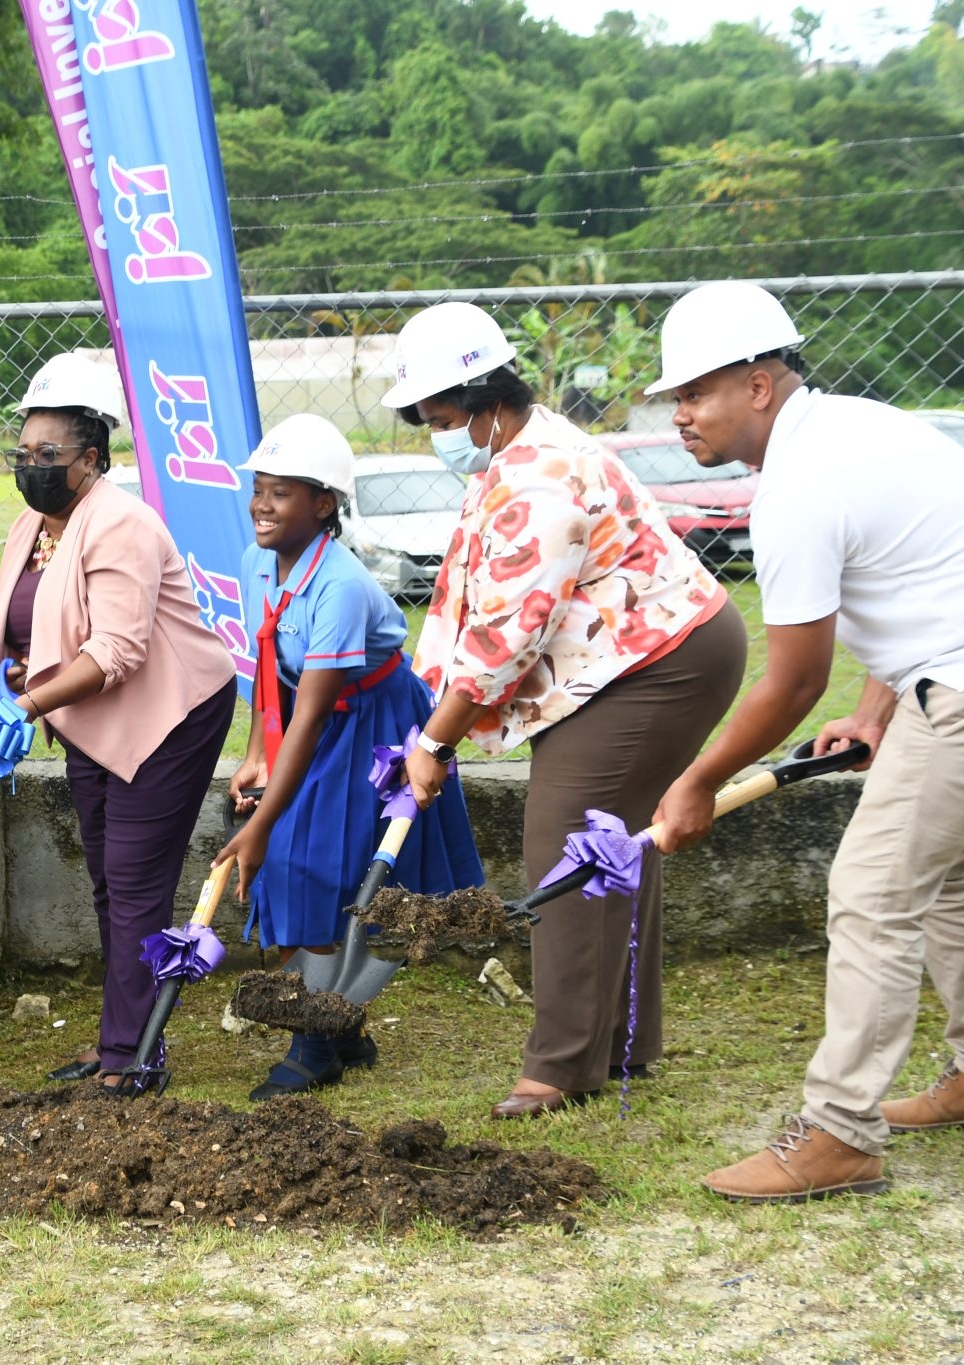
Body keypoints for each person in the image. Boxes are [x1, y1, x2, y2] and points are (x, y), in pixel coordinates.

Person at [639, 282, 964, 1203]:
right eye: (675, 397)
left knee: (871, 888)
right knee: (934, 867)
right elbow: (921, 568)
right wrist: (875, 710)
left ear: (756, 384)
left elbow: (790, 680)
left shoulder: (798, 484)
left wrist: (699, 779)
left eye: (694, 393)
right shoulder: (853, 425)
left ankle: (838, 1132)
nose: (680, 415)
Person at [386, 302, 748, 1120]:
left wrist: (433, 744)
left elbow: (506, 634)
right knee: (612, 840)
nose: (436, 437)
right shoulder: (520, 449)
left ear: (487, 399)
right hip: (637, 655)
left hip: (658, 664)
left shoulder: (539, 478)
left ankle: (560, 1066)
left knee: (568, 842)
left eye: (443, 419)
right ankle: (619, 1039)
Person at [0, 352, 236, 1091]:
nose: (31, 465)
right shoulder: (34, 523)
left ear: (92, 458)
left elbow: (118, 647)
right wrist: (17, 670)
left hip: (167, 716)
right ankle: (121, 1032)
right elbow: (43, 621)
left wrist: (26, 703)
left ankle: (136, 1053)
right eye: (22, 452)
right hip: (88, 714)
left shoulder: (122, 523)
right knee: (109, 883)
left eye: (47, 454)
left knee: (135, 878)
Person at [216, 414, 487, 1100]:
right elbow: (268, 659)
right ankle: (341, 1027)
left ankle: (317, 1044)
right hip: (320, 716)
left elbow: (310, 715)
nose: (261, 504)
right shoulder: (259, 559)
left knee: (319, 868)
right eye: (258, 487)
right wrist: (255, 751)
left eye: (281, 492)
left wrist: (263, 820)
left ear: (324, 503)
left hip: (373, 723)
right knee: (292, 862)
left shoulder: (338, 585)